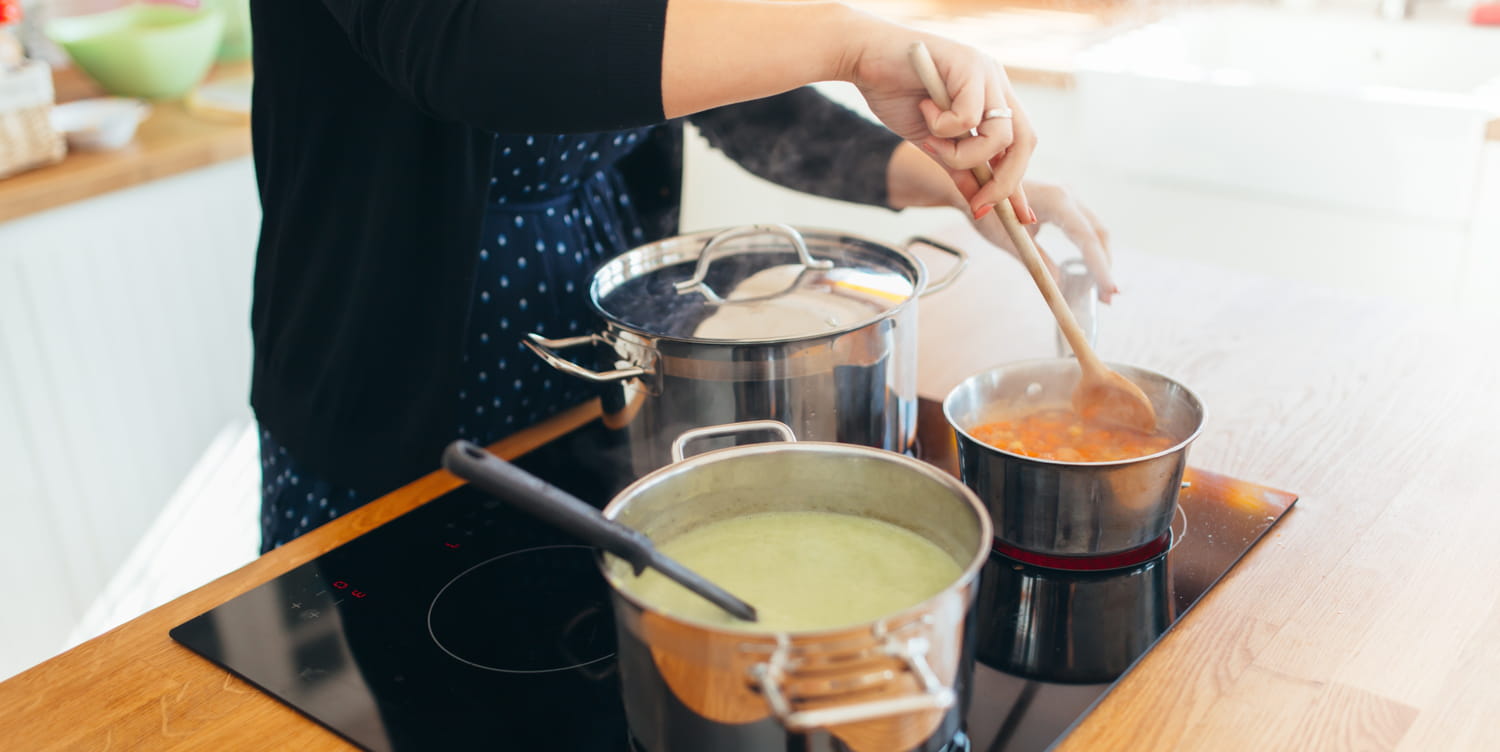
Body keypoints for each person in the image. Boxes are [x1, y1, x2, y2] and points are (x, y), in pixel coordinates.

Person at [249, 0, 1116, 552]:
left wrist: (952, 180)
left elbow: (731, 90)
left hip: (606, 351)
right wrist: (850, 42)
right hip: (384, 365)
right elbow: (473, 47)